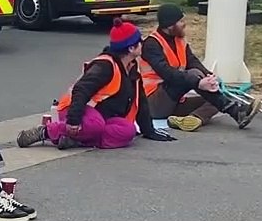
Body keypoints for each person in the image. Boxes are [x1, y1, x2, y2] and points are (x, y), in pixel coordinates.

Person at [17, 19, 176, 150]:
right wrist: (73, 120)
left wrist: (149, 131)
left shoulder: (132, 67)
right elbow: (80, 90)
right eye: (139, 42)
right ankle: (47, 131)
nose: (142, 44)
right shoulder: (105, 66)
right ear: (131, 48)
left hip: (103, 117)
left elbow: (140, 101)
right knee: (96, 125)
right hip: (77, 110)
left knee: (128, 130)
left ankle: (78, 140)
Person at [139, 3, 261, 132]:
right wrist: (199, 82)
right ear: (170, 25)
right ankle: (236, 112)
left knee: (215, 98)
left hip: (174, 101)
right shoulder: (151, 44)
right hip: (153, 102)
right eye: (181, 21)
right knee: (194, 75)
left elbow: (192, 61)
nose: (184, 24)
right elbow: (168, 74)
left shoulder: (179, 40)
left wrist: (210, 78)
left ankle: (193, 119)